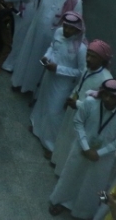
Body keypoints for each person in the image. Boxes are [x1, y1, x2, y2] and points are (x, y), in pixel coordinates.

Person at [49, 80, 116, 218]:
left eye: (112, 97)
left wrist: (99, 153)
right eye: (105, 94)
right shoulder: (90, 102)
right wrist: (86, 147)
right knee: (71, 175)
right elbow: (78, 122)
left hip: (104, 157)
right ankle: (61, 202)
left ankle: (82, 212)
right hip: (81, 148)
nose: (107, 99)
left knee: (93, 184)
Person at [11, 0, 83, 95]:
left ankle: (31, 89)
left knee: (41, 64)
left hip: (54, 38)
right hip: (36, 31)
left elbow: (77, 23)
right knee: (27, 57)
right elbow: (28, 0)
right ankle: (18, 83)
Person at [51, 40, 115, 174]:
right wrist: (72, 97)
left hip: (85, 116)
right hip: (73, 109)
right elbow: (79, 85)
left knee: (73, 142)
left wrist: (78, 104)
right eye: (88, 55)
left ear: (102, 60)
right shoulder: (87, 68)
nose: (88, 59)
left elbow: (100, 104)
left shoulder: (106, 79)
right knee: (65, 135)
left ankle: (63, 171)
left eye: (93, 57)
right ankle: (56, 160)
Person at [30, 12, 87, 153]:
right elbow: (52, 47)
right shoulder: (59, 32)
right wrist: (46, 56)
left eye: (71, 28)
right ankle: (37, 128)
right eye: (66, 26)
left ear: (77, 30)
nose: (67, 30)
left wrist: (58, 69)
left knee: (54, 112)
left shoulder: (81, 48)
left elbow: (81, 72)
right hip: (49, 76)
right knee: (42, 102)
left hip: (63, 84)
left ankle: (51, 146)